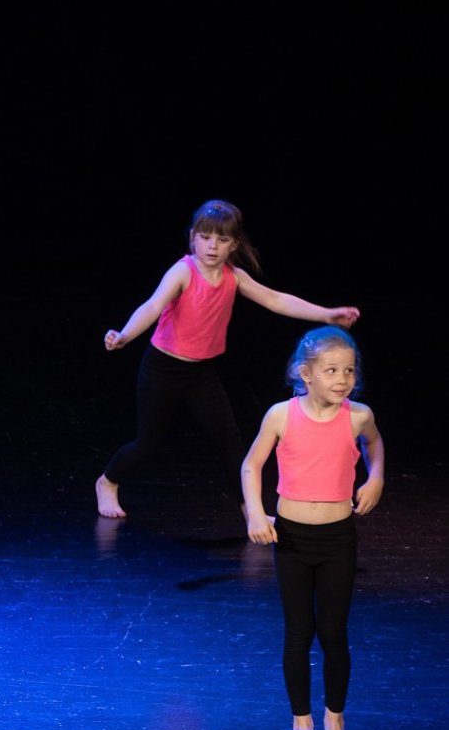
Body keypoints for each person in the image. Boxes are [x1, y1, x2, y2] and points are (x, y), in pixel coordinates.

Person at [96, 199, 360, 518]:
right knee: (147, 444)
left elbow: (275, 299)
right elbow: (153, 306)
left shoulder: (234, 277)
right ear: (193, 238)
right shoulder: (183, 271)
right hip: (162, 369)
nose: (212, 246)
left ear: (233, 244)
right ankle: (107, 482)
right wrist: (124, 335)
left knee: (230, 442)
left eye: (222, 240)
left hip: (200, 375)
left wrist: (327, 314)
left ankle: (251, 512)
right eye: (206, 238)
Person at [241, 327, 383, 730]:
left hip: (338, 539)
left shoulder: (358, 416)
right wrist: (255, 512)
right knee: (299, 631)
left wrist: (376, 477)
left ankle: (334, 718)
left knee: (334, 632)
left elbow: (375, 444)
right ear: (306, 374)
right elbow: (251, 465)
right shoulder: (281, 416)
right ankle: (301, 721)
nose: (343, 379)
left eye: (349, 371)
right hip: (293, 539)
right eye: (331, 371)